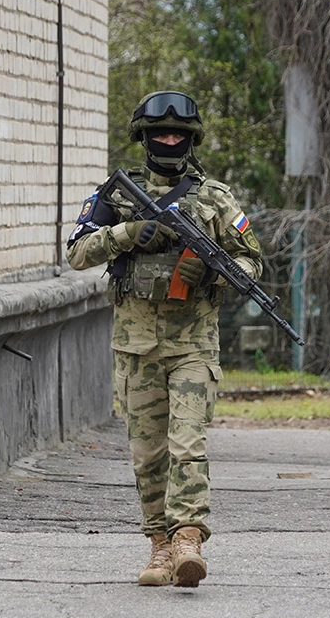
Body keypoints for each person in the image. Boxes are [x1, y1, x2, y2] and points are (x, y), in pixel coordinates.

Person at [66, 91, 263, 588]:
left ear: (190, 140)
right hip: (135, 348)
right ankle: (159, 546)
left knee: (187, 443)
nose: (169, 140)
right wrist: (129, 233)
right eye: (161, 134)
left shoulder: (214, 198)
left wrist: (212, 273)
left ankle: (188, 538)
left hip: (193, 344)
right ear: (146, 138)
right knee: (148, 454)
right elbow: (77, 253)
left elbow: (251, 262)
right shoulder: (117, 196)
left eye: (178, 135)